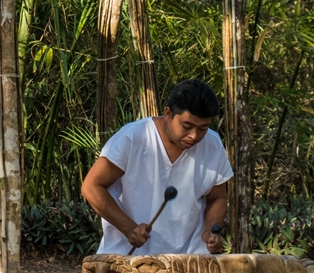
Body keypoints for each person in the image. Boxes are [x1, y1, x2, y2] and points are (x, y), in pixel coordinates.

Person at [81, 79, 232, 256]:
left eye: (203, 128)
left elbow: (217, 197)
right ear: (168, 114)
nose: (194, 135)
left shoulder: (212, 144)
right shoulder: (134, 138)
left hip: (191, 264)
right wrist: (129, 228)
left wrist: (209, 231)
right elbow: (91, 187)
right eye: (187, 126)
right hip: (128, 261)